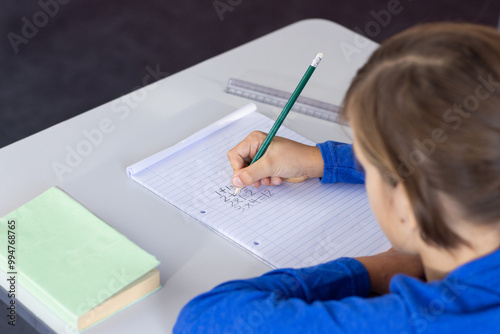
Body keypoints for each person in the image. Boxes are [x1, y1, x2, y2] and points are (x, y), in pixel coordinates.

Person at [174, 22, 500, 333]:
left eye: (367, 164)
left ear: (407, 206)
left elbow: (205, 319)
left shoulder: (418, 320)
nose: (360, 165)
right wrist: (322, 159)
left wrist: (381, 267)